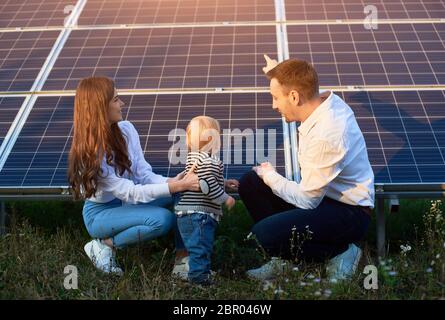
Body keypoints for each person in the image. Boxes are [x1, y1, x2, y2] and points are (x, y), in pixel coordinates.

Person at [238, 56, 375, 281]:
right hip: (324, 197)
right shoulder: (320, 100)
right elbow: (301, 81)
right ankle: (287, 258)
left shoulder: (328, 134)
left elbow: (308, 200)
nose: (273, 105)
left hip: (349, 212)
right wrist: (277, 72)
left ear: (294, 96)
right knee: (251, 183)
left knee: (264, 234)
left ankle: (342, 253)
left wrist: (271, 176)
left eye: (275, 98)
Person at [68, 76, 200, 275]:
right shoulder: (92, 153)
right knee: (162, 220)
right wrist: (173, 187)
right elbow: (129, 192)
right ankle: (105, 245)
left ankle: (183, 261)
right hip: (100, 213)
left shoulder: (126, 130)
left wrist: (171, 182)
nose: (122, 103)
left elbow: (142, 172)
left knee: (184, 193)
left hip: (126, 203)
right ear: (99, 108)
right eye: (115, 100)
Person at [173, 116, 236, 285]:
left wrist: (223, 182)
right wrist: (225, 198)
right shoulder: (209, 160)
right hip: (199, 214)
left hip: (187, 214)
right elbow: (207, 183)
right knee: (201, 248)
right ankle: (199, 280)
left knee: (196, 249)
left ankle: (197, 272)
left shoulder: (194, 158)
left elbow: (202, 179)